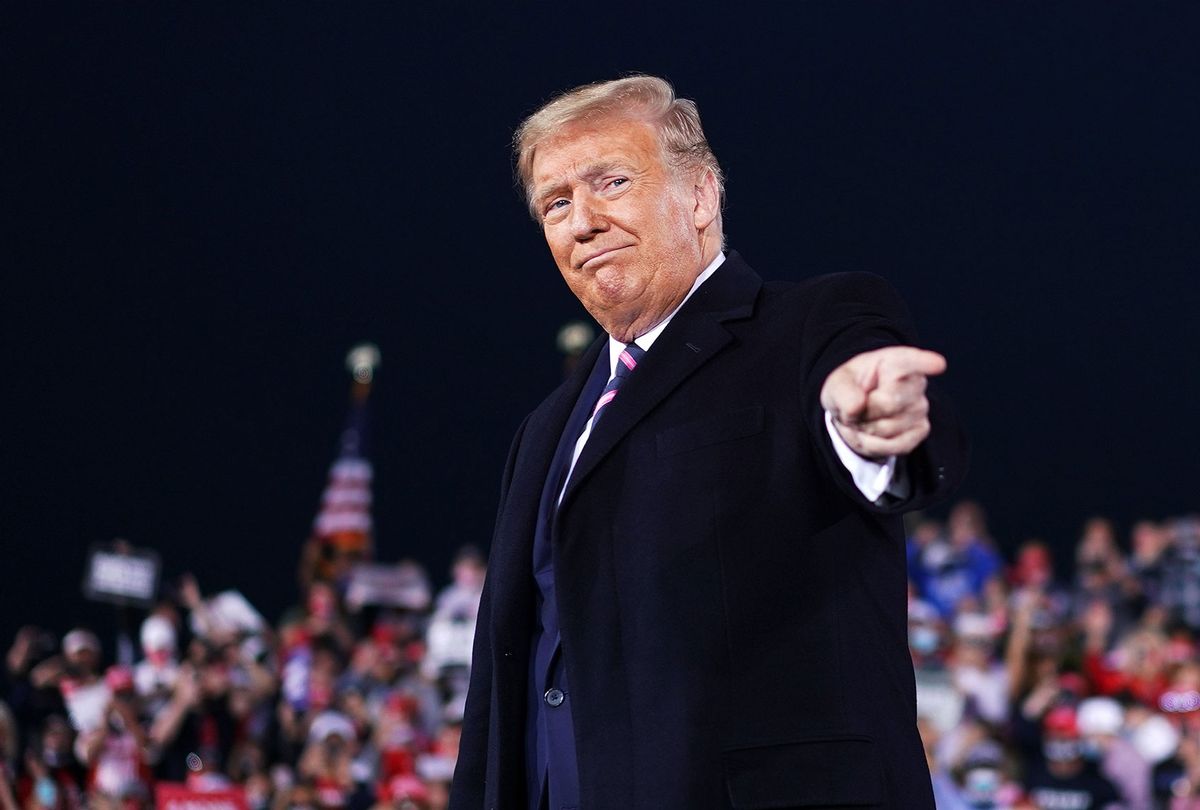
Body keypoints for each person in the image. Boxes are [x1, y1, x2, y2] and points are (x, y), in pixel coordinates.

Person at [449, 75, 967, 809]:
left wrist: (874, 429)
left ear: (699, 195)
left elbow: (879, 413)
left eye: (611, 182)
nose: (582, 222)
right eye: (555, 204)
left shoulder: (809, 325)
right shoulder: (544, 428)